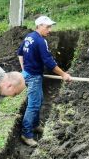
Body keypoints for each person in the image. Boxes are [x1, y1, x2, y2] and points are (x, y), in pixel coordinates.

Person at [18, 15, 72, 147]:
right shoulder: (40, 41)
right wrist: (64, 74)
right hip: (34, 76)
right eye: (47, 27)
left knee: (39, 100)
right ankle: (26, 134)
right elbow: (48, 62)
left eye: (50, 27)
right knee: (33, 105)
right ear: (40, 26)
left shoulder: (29, 37)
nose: (50, 30)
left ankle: (35, 125)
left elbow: (20, 53)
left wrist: (24, 69)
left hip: (29, 74)